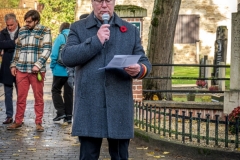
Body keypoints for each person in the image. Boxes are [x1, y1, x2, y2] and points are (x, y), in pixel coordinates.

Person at [61, 0, 152, 159]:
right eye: (99, 1)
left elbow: (145, 63)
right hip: (89, 105)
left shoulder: (130, 30)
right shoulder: (78, 28)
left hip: (119, 106)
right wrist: (96, 40)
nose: (104, 5)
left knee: (120, 156)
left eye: (108, 1)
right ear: (92, 2)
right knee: (88, 156)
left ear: (114, 2)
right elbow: (67, 57)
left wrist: (139, 69)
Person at [7, 10, 52, 132]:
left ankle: (38, 122)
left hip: (36, 71)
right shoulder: (22, 30)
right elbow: (18, 49)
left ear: (36, 20)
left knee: (38, 97)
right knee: (20, 97)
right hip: (21, 69)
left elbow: (47, 49)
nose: (26, 23)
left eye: (29, 21)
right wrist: (13, 65)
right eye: (25, 21)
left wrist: (38, 64)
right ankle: (18, 121)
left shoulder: (45, 30)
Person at [50, 22, 73, 123]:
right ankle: (69, 116)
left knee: (56, 90)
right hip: (71, 70)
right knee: (69, 93)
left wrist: (52, 67)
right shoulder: (74, 36)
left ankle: (60, 112)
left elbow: (54, 54)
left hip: (59, 71)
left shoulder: (60, 37)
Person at [0, 13, 20, 124]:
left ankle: (19, 116)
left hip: (19, 66)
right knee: (8, 93)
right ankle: (9, 115)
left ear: (16, 22)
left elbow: (22, 45)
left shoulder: (22, 31)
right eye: (8, 25)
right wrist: (13, 43)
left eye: (11, 25)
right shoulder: (2, 33)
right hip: (6, 66)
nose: (10, 27)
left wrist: (6, 45)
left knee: (20, 93)